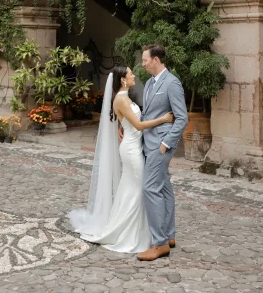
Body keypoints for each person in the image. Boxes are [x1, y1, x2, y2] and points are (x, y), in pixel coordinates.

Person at [68, 65, 174, 253]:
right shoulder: (121, 99)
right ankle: (131, 232)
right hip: (132, 151)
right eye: (130, 73)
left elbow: (126, 121)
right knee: (139, 188)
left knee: (130, 188)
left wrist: (121, 126)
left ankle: (136, 229)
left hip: (133, 146)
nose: (134, 75)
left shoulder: (124, 98)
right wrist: (163, 119)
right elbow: (139, 125)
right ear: (123, 80)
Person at [137, 44, 188, 261]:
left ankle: (159, 244)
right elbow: (148, 113)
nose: (143, 64)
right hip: (149, 141)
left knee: (150, 188)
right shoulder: (149, 83)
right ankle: (169, 235)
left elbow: (182, 117)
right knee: (164, 187)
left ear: (156, 59)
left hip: (161, 143)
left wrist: (166, 143)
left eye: (145, 60)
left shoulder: (172, 83)